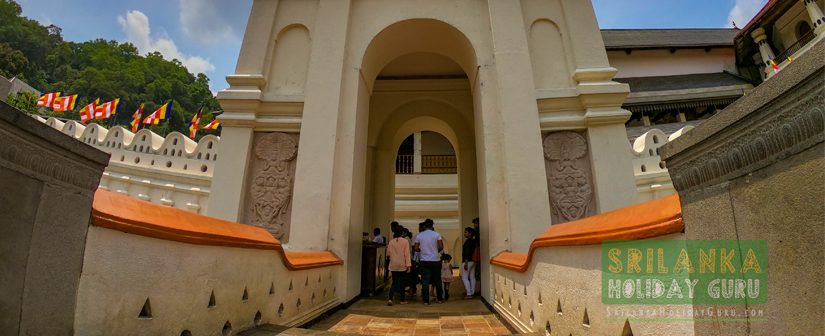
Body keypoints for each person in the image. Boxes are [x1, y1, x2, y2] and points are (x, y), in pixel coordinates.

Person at [414, 219, 444, 305]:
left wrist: (423, 250)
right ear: (432, 225)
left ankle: (426, 301)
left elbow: (416, 248)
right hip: (435, 260)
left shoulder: (419, 236)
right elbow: (441, 246)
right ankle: (439, 299)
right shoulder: (436, 234)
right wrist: (434, 251)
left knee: (425, 281)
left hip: (424, 261)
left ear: (424, 226)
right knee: (437, 280)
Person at [387, 230, 411, 305]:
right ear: (402, 233)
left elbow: (388, 253)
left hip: (393, 264)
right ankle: (402, 300)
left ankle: (390, 299)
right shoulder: (405, 241)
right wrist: (408, 265)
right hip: (402, 264)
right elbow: (407, 254)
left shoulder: (391, 242)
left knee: (394, 282)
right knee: (402, 283)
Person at [461, 227, 478, 299]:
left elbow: (467, 252)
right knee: (472, 277)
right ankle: (472, 292)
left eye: (466, 232)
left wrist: (466, 262)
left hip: (468, 261)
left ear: (470, 233)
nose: (464, 233)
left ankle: (469, 293)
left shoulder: (468, 241)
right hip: (473, 261)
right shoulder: (474, 241)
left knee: (464, 277)